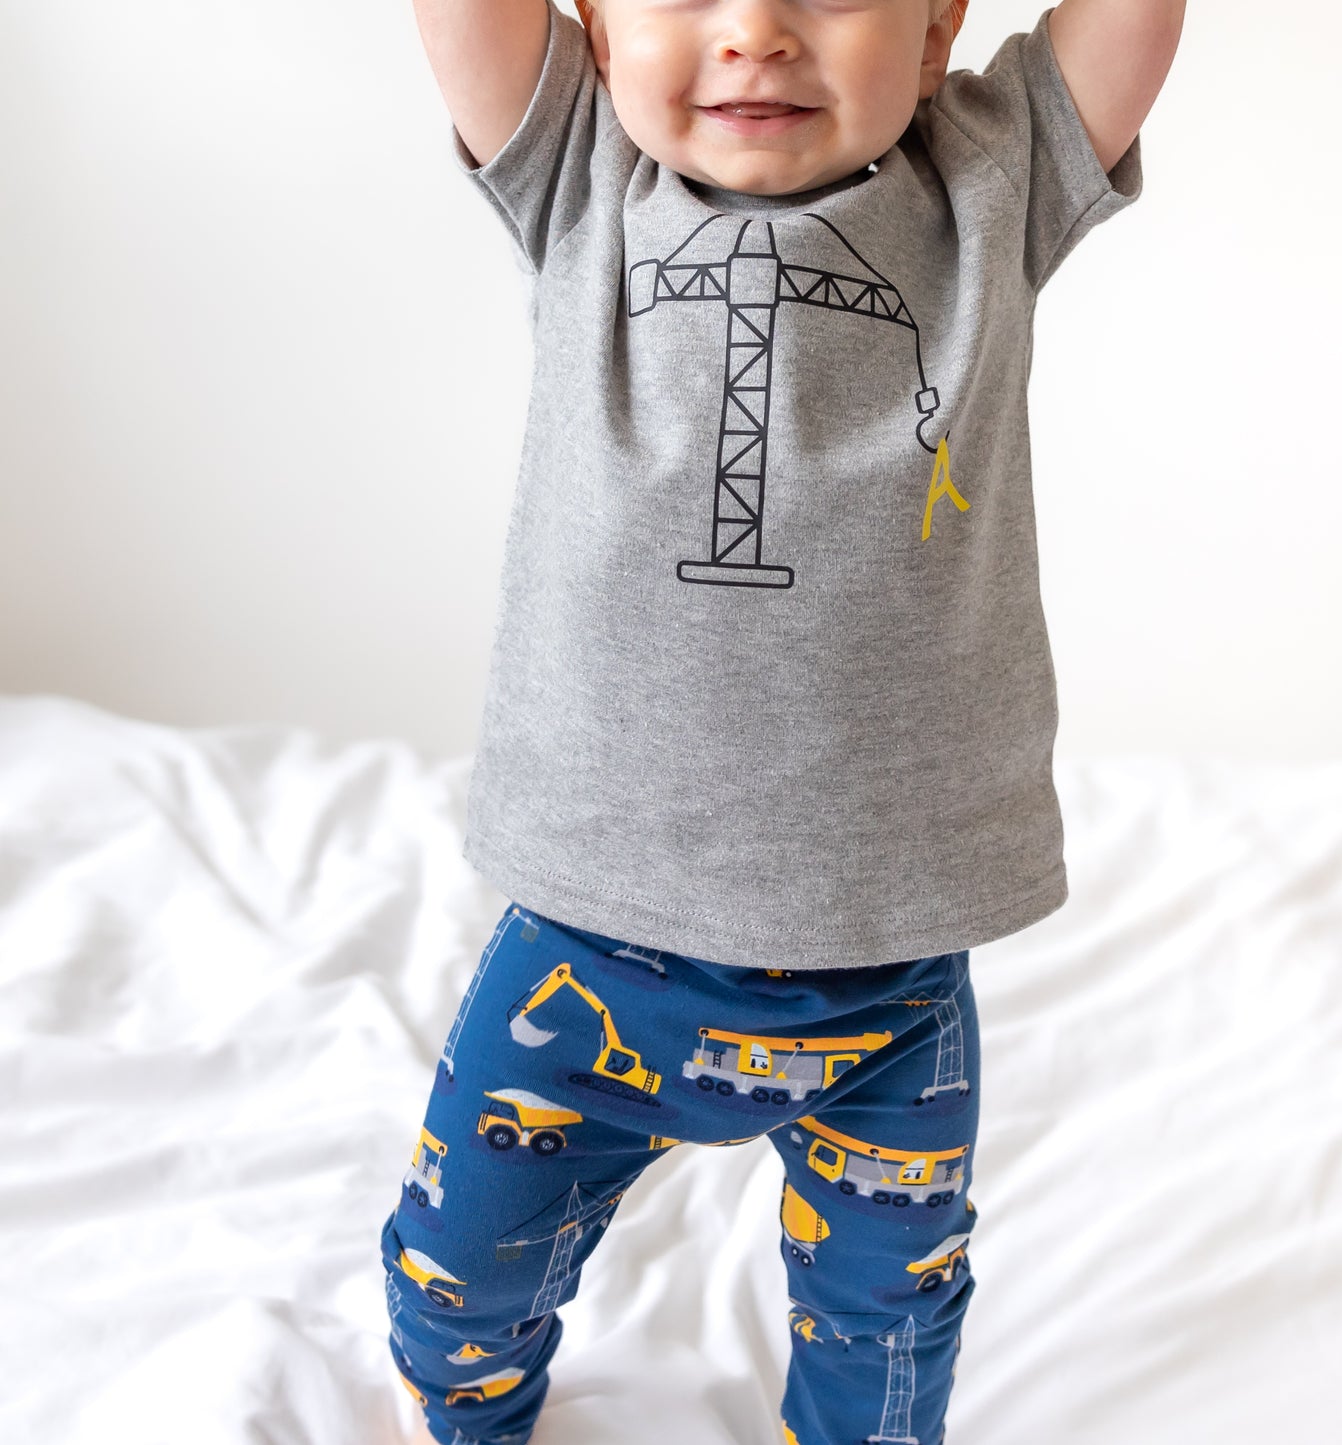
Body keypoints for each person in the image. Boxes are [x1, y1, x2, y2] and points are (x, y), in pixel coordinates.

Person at [386, 2, 1184, 1441]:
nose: (754, 34)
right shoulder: (581, 173)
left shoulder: (988, 186)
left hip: (889, 976)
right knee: (457, 1276)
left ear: (936, 27)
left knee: (890, 1322)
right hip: (588, 946)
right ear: (594, 30)